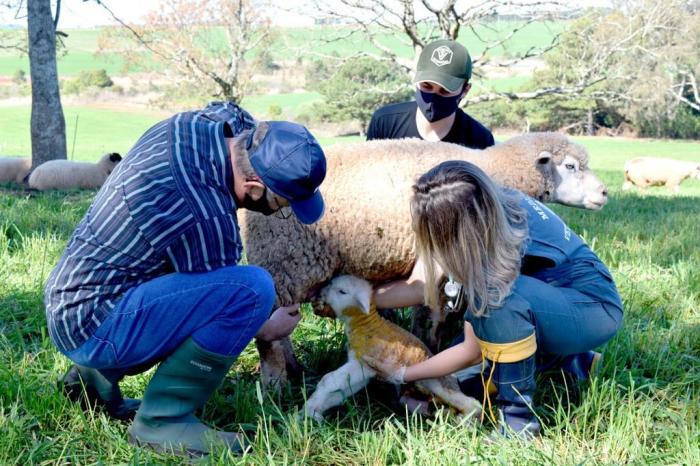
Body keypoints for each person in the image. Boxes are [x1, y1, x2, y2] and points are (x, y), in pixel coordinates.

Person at [44, 101, 327, 455]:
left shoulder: (211, 125)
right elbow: (215, 305)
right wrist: (266, 329)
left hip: (74, 298)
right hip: (91, 323)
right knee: (250, 290)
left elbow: (231, 109)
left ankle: (92, 381)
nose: (282, 211)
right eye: (282, 204)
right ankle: (162, 422)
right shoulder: (204, 212)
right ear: (254, 185)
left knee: (181, 277)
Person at [370, 160, 623, 438]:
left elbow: (471, 350)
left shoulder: (493, 255)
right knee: (458, 377)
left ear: (456, 229)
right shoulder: (479, 202)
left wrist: (404, 373)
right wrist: (358, 300)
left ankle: (518, 423)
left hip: (593, 309)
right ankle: (570, 361)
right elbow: (419, 287)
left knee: (496, 312)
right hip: (564, 298)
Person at [366, 39, 494, 149]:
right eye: (426, 86)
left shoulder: (479, 138)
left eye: (445, 90)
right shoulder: (385, 122)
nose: (433, 97)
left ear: (465, 90)